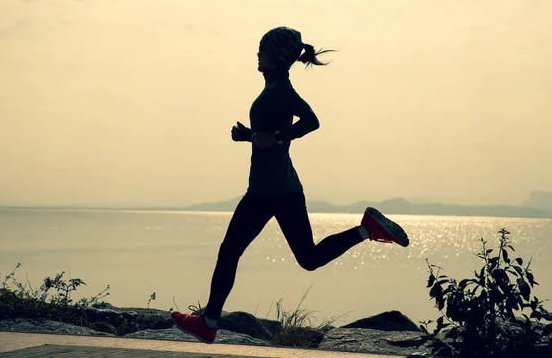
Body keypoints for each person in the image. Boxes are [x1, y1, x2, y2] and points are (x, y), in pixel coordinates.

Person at [171, 26, 409, 343]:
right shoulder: (273, 89)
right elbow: (270, 135)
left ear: (277, 57)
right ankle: (367, 229)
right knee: (306, 258)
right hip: (281, 190)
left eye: (263, 50)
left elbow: (311, 121)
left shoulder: (281, 90)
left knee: (229, 253)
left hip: (268, 191)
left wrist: (278, 137)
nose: (258, 54)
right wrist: (249, 136)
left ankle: (209, 322)